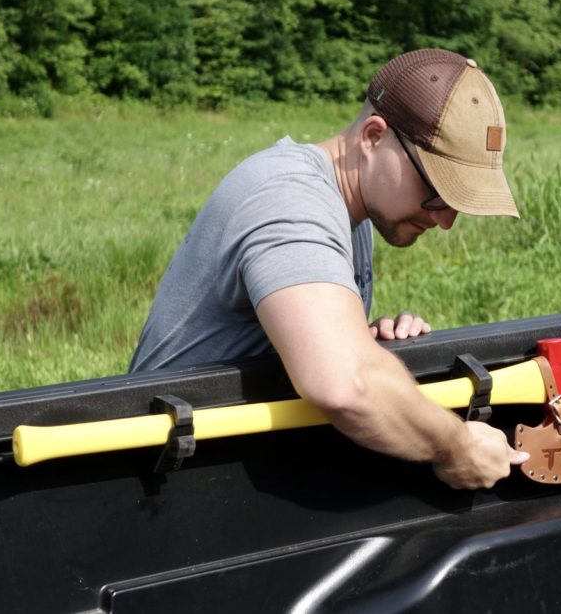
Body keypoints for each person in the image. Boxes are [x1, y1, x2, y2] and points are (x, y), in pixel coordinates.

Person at [129, 49, 529, 489]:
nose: (445, 219)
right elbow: (344, 385)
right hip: (159, 476)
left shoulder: (346, 212)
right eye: (436, 189)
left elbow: (334, 364)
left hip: (214, 468)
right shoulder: (291, 201)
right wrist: (457, 448)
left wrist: (361, 342)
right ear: (374, 137)